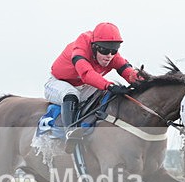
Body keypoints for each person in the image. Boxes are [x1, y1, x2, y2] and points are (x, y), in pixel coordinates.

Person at [45, 22, 142, 152]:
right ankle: (69, 131)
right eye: (104, 50)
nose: (109, 55)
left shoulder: (111, 56)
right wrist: (109, 85)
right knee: (71, 94)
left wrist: (145, 82)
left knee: (107, 96)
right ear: (94, 46)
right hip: (58, 83)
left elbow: (128, 71)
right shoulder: (80, 48)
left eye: (114, 50)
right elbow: (86, 74)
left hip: (84, 86)